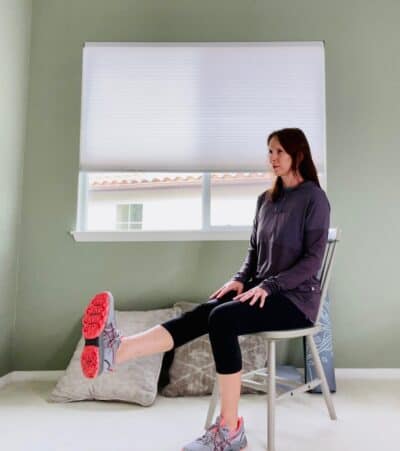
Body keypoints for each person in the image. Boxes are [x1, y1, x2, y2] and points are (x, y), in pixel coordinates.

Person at [80, 127, 330, 451]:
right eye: (269, 151)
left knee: (223, 319)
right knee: (206, 310)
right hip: (260, 290)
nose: (272, 158)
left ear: (298, 154)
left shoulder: (314, 198)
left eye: (279, 151)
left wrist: (270, 285)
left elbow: (313, 260)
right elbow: (253, 253)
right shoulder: (265, 201)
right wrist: (239, 278)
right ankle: (119, 350)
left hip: (295, 301)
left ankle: (230, 429)